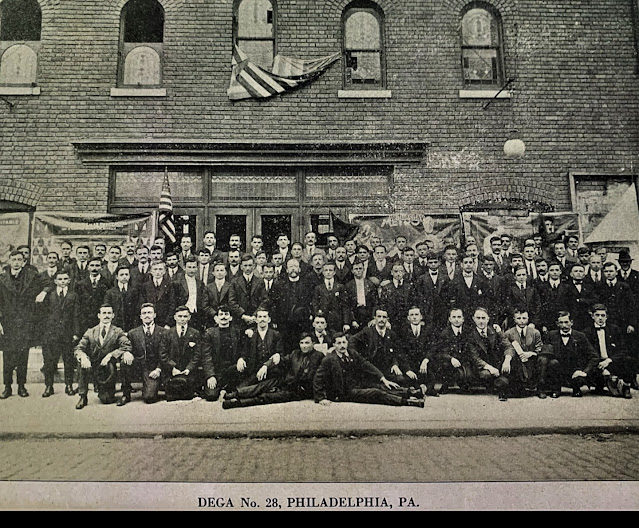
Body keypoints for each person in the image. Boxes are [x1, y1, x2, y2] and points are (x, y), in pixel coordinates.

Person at [313, 333, 424, 408]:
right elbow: (318, 378)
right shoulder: (329, 359)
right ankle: (409, 402)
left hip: (359, 384)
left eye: (344, 342)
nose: (342, 346)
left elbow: (366, 365)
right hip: (345, 392)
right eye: (339, 343)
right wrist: (321, 398)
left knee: (382, 386)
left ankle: (412, 393)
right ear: (334, 345)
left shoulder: (352, 353)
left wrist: (383, 378)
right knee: (376, 393)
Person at [222, 333, 325, 409]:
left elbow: (319, 377)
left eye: (307, 343)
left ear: (313, 343)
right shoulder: (295, 353)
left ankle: (236, 403)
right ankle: (234, 394)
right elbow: (282, 360)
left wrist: (320, 396)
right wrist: (270, 363)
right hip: (285, 381)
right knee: (262, 386)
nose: (304, 346)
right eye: (301, 343)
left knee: (266, 397)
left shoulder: (319, 356)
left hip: (297, 390)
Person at [73, 304, 132, 409]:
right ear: (99, 315)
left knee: (106, 399)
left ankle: (109, 391)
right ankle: (83, 396)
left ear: (113, 315)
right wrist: (83, 357)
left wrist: (111, 355)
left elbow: (126, 345)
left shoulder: (117, 331)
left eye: (109, 313)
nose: (106, 316)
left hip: (108, 368)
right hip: (93, 365)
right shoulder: (91, 331)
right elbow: (79, 348)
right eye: (104, 313)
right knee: (81, 361)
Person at [36, 269, 81, 398]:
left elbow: (76, 315)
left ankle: (69, 385)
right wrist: (44, 332)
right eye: (60, 279)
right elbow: (42, 315)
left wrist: (76, 333)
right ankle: (49, 386)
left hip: (67, 334)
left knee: (68, 361)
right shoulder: (49, 295)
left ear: (69, 280)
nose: (62, 281)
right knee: (49, 361)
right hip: (51, 333)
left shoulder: (73, 296)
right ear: (55, 281)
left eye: (65, 279)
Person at [118, 303, 168, 405]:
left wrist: (158, 369)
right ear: (140, 316)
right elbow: (127, 347)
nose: (147, 315)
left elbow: (165, 354)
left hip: (154, 368)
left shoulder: (163, 332)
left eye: (149, 312)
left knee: (149, 398)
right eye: (144, 313)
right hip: (139, 366)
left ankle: (151, 386)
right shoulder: (133, 333)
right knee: (124, 362)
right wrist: (127, 353)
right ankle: (126, 394)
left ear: (154, 315)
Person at [582, 304, 636, 398]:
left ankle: (626, 386)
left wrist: (609, 360)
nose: (600, 318)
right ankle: (604, 384)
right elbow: (587, 354)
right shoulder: (587, 332)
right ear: (592, 316)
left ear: (606, 317)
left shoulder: (614, 329)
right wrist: (601, 365)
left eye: (603, 315)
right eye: (597, 315)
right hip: (597, 363)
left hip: (611, 361)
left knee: (629, 360)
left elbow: (623, 349)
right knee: (596, 371)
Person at [543, 311, 600, 397]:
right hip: (558, 370)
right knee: (553, 363)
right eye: (561, 322)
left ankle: (576, 388)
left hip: (575, 370)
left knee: (578, 377)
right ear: (557, 324)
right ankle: (556, 389)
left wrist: (584, 372)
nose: (564, 325)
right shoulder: (551, 335)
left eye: (566, 322)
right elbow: (546, 354)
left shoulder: (580, 336)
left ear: (572, 322)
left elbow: (594, 356)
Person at [466, 307, 518, 401]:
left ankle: (501, 384)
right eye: (478, 318)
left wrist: (507, 360)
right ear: (473, 319)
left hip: (498, 364)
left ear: (488, 319)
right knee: (486, 375)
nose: (481, 321)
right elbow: (475, 358)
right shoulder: (470, 336)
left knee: (511, 368)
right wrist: (490, 368)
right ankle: (499, 385)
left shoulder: (495, 331)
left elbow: (508, 346)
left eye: (483, 318)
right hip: (483, 367)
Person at [200, 305, 249, 401]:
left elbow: (244, 349)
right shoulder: (209, 333)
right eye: (221, 314)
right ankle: (222, 389)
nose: (223, 317)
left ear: (230, 318)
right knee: (211, 395)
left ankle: (227, 389)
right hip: (217, 371)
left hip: (233, 370)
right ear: (217, 318)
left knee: (241, 391)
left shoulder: (237, 332)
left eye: (226, 314)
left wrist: (241, 358)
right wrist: (210, 376)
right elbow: (206, 357)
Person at [349, 307, 403, 386]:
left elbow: (396, 352)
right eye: (379, 316)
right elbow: (351, 340)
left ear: (387, 319)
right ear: (374, 318)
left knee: (400, 379)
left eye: (384, 317)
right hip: (371, 369)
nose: (381, 319)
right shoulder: (367, 331)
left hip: (386, 369)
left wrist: (395, 364)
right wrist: (355, 354)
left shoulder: (391, 334)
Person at [269, 258, 313, 354]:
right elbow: (273, 304)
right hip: (285, 323)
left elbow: (311, 302)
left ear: (299, 269)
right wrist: (275, 319)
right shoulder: (279, 285)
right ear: (287, 270)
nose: (293, 269)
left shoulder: (307, 284)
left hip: (302, 323)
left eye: (295, 266)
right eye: (290, 266)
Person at [161, 306, 203, 401]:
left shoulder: (195, 333)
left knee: (188, 394)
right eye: (180, 316)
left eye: (185, 316)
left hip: (188, 370)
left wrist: (189, 368)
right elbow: (163, 354)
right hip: (172, 371)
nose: (182, 319)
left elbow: (197, 354)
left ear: (189, 317)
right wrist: (172, 368)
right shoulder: (167, 333)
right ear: (175, 317)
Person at [398, 306, 439, 396]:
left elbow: (432, 347)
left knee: (431, 377)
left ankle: (423, 388)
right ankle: (422, 388)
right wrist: (407, 369)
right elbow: (401, 352)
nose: (414, 317)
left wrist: (426, 360)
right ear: (408, 318)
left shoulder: (427, 330)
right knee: (408, 379)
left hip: (423, 364)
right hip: (410, 365)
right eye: (412, 315)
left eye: (416, 315)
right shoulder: (403, 331)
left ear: (421, 317)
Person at [503, 308, 541, 395]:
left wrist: (531, 353)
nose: (522, 321)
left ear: (528, 319)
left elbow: (539, 348)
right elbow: (507, 348)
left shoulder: (535, 333)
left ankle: (538, 387)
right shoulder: (508, 333)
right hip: (517, 363)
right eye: (519, 318)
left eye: (524, 318)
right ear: (514, 319)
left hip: (531, 361)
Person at [434, 308, 473, 393]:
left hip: (465, 361)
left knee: (468, 375)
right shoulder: (444, 333)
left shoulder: (468, 332)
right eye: (454, 317)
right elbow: (440, 352)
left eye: (459, 317)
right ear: (450, 319)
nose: (456, 319)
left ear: (463, 319)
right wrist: (451, 358)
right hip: (450, 361)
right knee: (445, 366)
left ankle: (464, 383)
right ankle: (446, 384)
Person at [242, 308, 285, 386]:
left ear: (269, 319)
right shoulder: (251, 334)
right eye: (260, 317)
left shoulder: (275, 334)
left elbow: (280, 354)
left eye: (265, 317)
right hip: (254, 369)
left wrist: (266, 366)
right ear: (256, 320)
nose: (262, 319)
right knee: (246, 384)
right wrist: (241, 359)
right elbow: (245, 352)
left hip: (270, 370)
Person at [228, 254, 268, 331]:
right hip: (239, 320)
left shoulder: (260, 281)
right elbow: (231, 301)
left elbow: (265, 300)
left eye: (250, 265)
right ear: (241, 267)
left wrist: (255, 315)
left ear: (254, 266)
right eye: (245, 265)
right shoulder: (235, 282)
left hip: (255, 320)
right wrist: (243, 315)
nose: (248, 268)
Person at [412, 251, 450, 330]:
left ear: (439, 263)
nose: (433, 264)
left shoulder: (445, 278)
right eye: (431, 262)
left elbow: (448, 295)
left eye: (435, 262)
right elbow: (419, 295)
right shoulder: (422, 278)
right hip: (427, 311)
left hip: (442, 312)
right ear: (427, 264)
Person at [173, 256, 212, 331]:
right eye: (189, 267)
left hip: (196, 315)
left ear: (197, 268)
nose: (191, 270)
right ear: (184, 268)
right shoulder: (177, 283)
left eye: (194, 267)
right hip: (182, 315)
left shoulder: (200, 283)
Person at [311, 261, 349, 334]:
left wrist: (346, 323)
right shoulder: (318, 288)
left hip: (337, 320)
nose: (328, 272)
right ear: (323, 272)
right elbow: (315, 304)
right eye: (326, 270)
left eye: (330, 270)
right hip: (323, 319)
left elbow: (345, 306)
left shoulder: (340, 287)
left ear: (334, 272)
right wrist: (318, 316)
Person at [75, 256, 110, 335]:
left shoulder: (107, 283)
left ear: (102, 267)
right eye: (92, 265)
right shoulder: (80, 284)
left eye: (97, 266)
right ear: (88, 267)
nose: (94, 268)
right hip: (85, 321)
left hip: (101, 320)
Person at [342, 259, 378, 331]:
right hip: (355, 315)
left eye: (360, 268)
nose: (358, 270)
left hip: (368, 314)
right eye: (356, 269)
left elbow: (375, 303)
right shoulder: (348, 286)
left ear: (363, 270)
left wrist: (374, 318)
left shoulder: (370, 285)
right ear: (352, 271)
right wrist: (351, 320)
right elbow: (346, 305)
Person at [139, 260, 176, 328]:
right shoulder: (145, 286)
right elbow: (142, 304)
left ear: (164, 271)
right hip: (149, 321)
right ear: (151, 271)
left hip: (164, 323)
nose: (158, 272)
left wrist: (168, 323)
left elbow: (172, 305)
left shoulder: (169, 285)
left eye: (160, 269)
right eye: (155, 269)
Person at [103, 266, 141, 332]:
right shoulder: (110, 293)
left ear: (129, 276)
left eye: (126, 274)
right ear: (117, 277)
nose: (124, 277)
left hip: (131, 326)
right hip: (115, 326)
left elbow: (137, 310)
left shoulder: (135, 291)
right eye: (121, 275)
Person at [378, 261, 414, 331]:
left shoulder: (409, 287)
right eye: (396, 271)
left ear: (404, 272)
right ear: (391, 272)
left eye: (401, 271)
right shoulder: (386, 288)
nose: (398, 274)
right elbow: (383, 305)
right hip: (391, 321)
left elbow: (413, 304)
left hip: (406, 322)